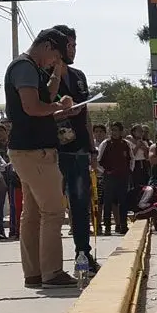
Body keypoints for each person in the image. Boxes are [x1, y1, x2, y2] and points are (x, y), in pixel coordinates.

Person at [5, 28, 78, 288]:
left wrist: (57, 73)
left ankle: (34, 273)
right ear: (46, 46)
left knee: (33, 214)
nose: (54, 61)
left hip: (28, 150)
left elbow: (45, 95)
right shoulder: (24, 67)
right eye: (55, 55)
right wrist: (59, 107)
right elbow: (32, 107)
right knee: (53, 211)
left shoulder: (31, 68)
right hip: (34, 151)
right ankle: (52, 272)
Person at [52, 25, 100, 271]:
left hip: (79, 150)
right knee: (50, 208)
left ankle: (83, 255)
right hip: (54, 152)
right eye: (70, 45)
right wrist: (60, 113)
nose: (74, 50)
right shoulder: (43, 76)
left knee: (80, 204)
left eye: (74, 45)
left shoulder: (79, 76)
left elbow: (87, 115)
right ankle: (48, 264)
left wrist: (92, 149)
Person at [98, 122, 133, 236]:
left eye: (116, 130)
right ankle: (107, 227)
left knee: (123, 202)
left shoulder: (126, 144)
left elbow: (131, 159)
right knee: (107, 202)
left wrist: (129, 171)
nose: (114, 132)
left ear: (121, 131)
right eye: (112, 130)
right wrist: (105, 172)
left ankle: (123, 225)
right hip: (109, 177)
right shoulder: (106, 143)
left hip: (123, 177)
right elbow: (98, 160)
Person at [127, 124, 151, 188]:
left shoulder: (145, 142)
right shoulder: (129, 143)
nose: (141, 133)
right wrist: (137, 146)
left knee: (145, 183)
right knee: (136, 184)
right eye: (139, 131)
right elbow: (131, 155)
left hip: (144, 164)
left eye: (142, 131)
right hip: (135, 164)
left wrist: (146, 149)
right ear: (133, 132)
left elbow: (146, 157)